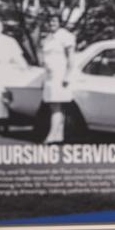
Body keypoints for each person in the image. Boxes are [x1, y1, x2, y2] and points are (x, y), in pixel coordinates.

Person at [40, 15, 77, 144]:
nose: (51, 23)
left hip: (60, 74)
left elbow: (71, 58)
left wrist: (67, 75)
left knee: (56, 105)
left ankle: (51, 135)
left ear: (60, 23)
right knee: (54, 106)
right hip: (49, 75)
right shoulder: (47, 38)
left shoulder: (66, 36)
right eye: (49, 21)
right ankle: (58, 135)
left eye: (54, 21)